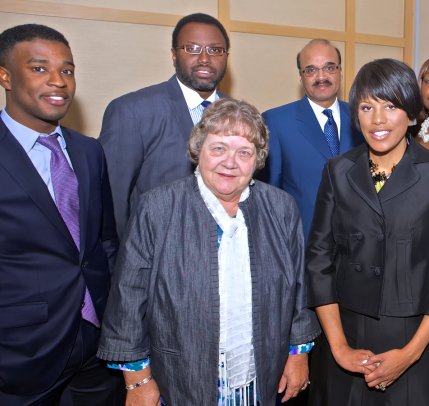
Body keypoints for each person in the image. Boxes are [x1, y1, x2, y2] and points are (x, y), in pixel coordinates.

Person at [97, 98, 320, 405]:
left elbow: (298, 289)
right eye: (219, 148)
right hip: (178, 378)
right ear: (197, 150)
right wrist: (138, 380)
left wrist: (298, 354)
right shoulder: (158, 207)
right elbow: (128, 296)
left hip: (259, 377)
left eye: (244, 152)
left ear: (258, 159)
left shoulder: (280, 207)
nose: (230, 162)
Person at [307, 58, 429, 405]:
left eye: (391, 106)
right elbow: (319, 260)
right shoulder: (338, 171)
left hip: (414, 340)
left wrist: (410, 354)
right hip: (344, 335)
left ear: (410, 112)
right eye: (367, 107)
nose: (377, 119)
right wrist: (339, 348)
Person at [0, 24, 123, 404]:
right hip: (20, 354)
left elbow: (104, 241)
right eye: (39, 69)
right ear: (4, 76)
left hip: (97, 348)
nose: (58, 82)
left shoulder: (88, 151)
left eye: (67, 71)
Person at [99, 13, 229, 238]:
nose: (205, 58)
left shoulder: (240, 115)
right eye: (192, 48)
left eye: (215, 50)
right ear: (173, 55)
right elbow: (112, 203)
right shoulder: (132, 111)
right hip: (157, 260)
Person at [258, 38, 363, 237]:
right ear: (301, 77)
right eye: (311, 70)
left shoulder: (361, 117)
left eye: (329, 68)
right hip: (302, 243)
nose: (321, 76)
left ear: (341, 72)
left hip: (358, 244)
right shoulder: (277, 122)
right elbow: (270, 193)